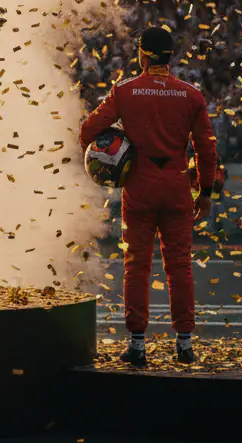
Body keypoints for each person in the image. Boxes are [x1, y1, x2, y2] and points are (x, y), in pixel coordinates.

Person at [80, 27, 218, 366]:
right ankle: (184, 344)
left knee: (136, 267)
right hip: (176, 188)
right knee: (180, 267)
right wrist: (206, 192)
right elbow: (206, 148)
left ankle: (138, 344)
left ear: (142, 54)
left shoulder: (125, 91)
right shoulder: (191, 95)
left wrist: (117, 144)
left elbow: (86, 131)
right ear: (170, 56)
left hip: (138, 187)